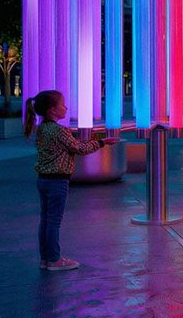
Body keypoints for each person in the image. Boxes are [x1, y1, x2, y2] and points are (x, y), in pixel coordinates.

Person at [24, 90, 118, 271]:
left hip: (43, 180)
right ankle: (54, 259)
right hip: (57, 181)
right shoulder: (59, 130)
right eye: (63, 105)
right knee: (54, 221)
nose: (66, 108)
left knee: (46, 220)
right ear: (53, 110)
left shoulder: (43, 128)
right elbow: (79, 148)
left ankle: (46, 258)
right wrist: (102, 142)